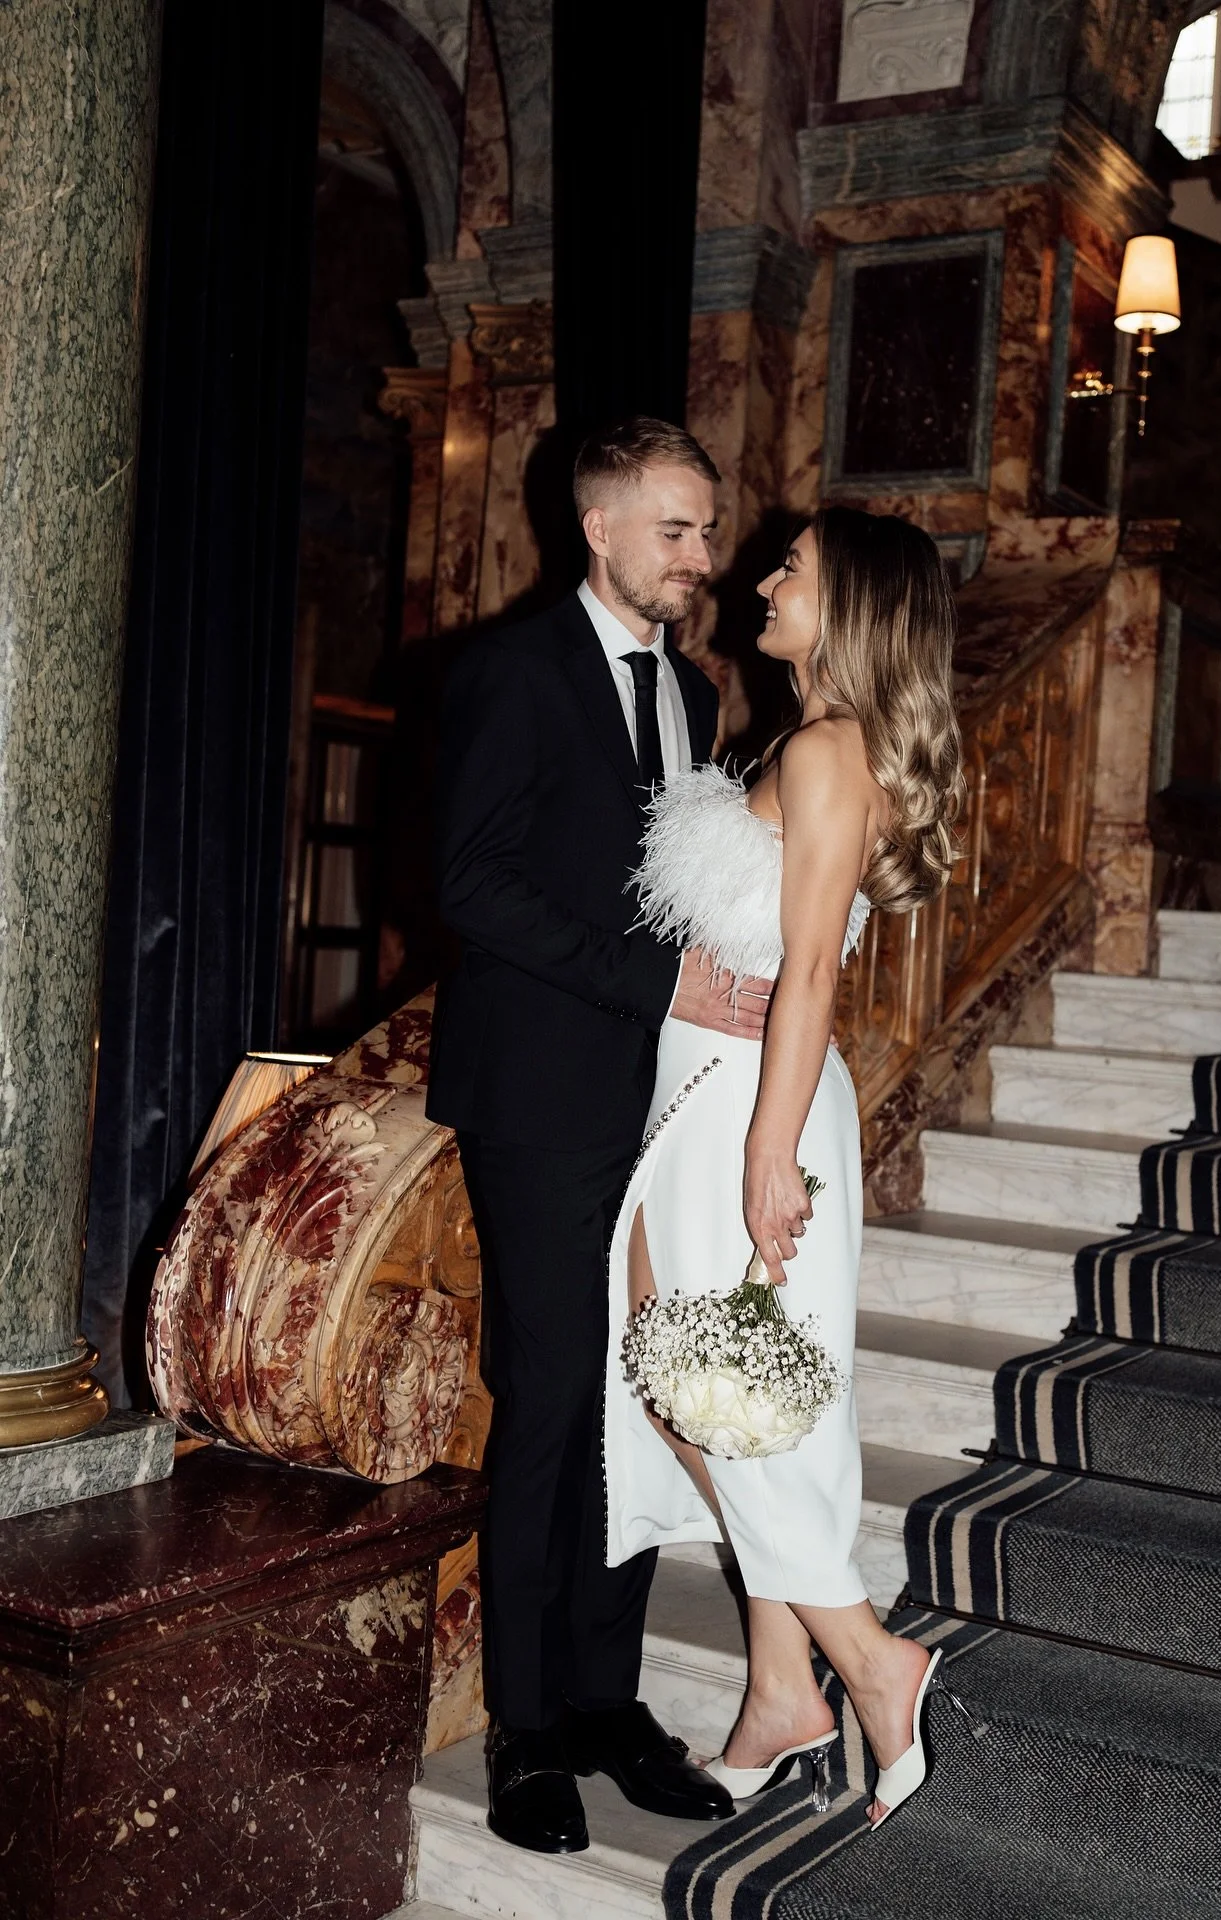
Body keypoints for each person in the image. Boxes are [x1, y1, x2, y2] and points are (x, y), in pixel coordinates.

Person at [428, 417, 772, 1856]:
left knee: (643, 1406)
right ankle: (524, 1732)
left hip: (661, 1101)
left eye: (704, 534)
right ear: (603, 529)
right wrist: (656, 979)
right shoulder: (509, 673)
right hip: (542, 1102)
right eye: (679, 532)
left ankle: (607, 1703)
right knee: (559, 1398)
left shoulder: (691, 693)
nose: (701, 560)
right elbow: (468, 884)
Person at [604, 505, 966, 1828]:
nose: (763, 580)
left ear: (853, 606)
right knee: (697, 1388)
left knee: (703, 1389)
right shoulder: (806, 742)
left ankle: (870, 1662)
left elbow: (809, 969)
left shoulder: (825, 753)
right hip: (713, 1091)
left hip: (744, 1104)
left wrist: (768, 1159)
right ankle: (780, 1685)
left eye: (792, 572)